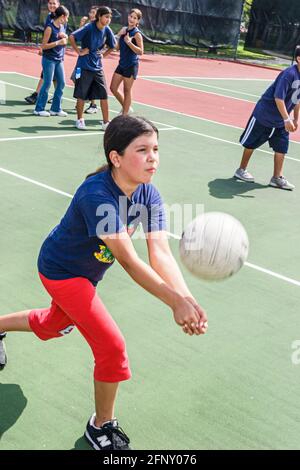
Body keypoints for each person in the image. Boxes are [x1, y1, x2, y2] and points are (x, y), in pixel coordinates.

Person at [0, 115, 208, 450]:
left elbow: (160, 254)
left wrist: (187, 299)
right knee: (112, 348)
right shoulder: (96, 194)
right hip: (62, 271)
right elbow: (128, 260)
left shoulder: (147, 195)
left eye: (156, 148)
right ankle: (100, 427)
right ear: (116, 157)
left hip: (86, 273)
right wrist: (174, 302)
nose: (153, 156)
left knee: (55, 325)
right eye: (142, 150)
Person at [234, 46, 300, 191]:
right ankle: (241, 170)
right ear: (299, 59)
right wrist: (287, 119)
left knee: (281, 148)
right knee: (251, 144)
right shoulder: (288, 74)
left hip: (280, 121)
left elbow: (297, 99)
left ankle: (276, 178)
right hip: (264, 115)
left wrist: (295, 119)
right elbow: (278, 98)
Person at [69, 6, 116, 131]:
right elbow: (72, 36)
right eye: (106, 17)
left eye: (110, 17)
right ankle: (79, 120)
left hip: (97, 67)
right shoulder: (89, 27)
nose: (108, 20)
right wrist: (78, 51)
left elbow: (113, 45)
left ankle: (106, 122)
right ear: (99, 16)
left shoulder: (107, 29)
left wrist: (103, 55)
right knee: (81, 94)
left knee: (104, 94)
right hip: (83, 66)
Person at [33, 6, 69, 117]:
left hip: (59, 60)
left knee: (62, 83)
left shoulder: (62, 27)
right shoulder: (49, 28)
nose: (67, 20)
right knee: (47, 83)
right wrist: (58, 42)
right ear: (62, 17)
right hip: (49, 60)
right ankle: (39, 109)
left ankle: (55, 109)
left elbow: (64, 40)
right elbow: (43, 46)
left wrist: (65, 37)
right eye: (67, 17)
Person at [25, 0, 61, 105]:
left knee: (48, 74)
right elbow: (46, 35)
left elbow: (60, 34)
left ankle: (37, 95)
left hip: (55, 51)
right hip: (49, 49)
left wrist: (47, 47)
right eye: (50, 3)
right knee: (53, 75)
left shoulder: (61, 17)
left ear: (59, 5)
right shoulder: (49, 16)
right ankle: (57, 96)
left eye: (54, 3)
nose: (52, 5)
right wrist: (43, 47)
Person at [110, 9, 144, 115]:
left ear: (138, 21)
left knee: (126, 90)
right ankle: (127, 107)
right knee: (113, 88)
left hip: (131, 65)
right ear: (128, 16)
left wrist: (129, 43)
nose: (132, 19)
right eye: (131, 16)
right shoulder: (124, 30)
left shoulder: (137, 34)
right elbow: (116, 47)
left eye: (135, 18)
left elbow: (141, 52)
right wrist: (117, 35)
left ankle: (124, 115)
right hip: (122, 64)